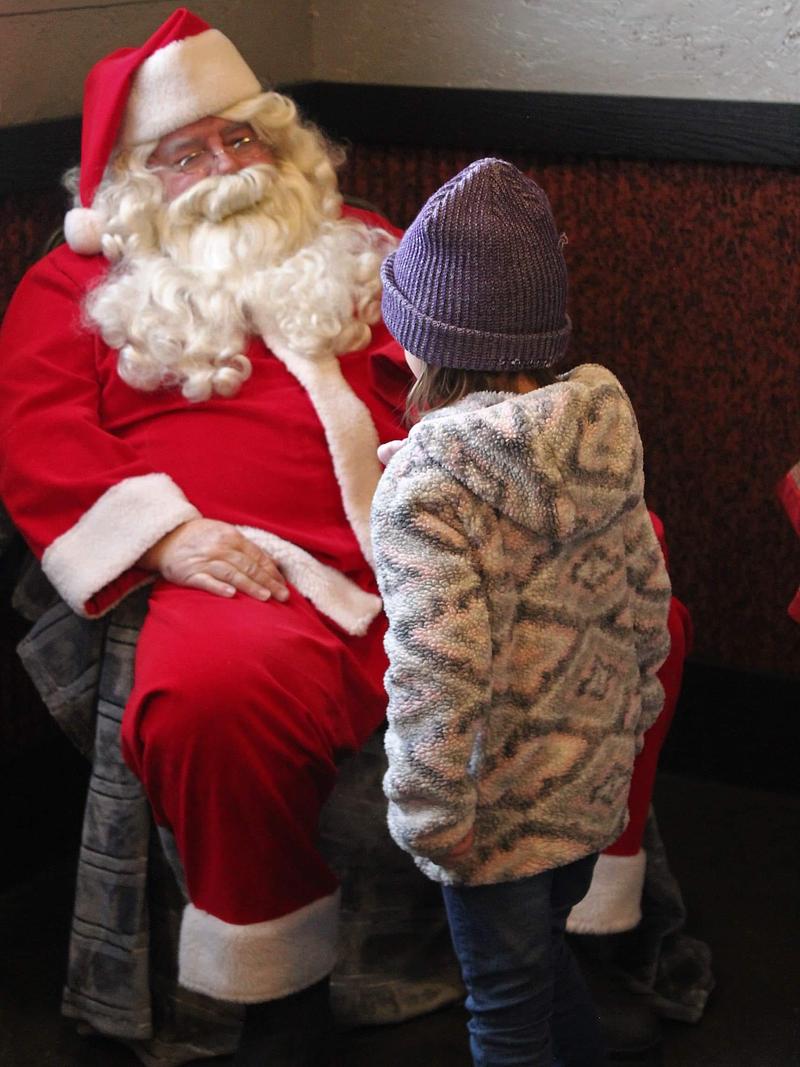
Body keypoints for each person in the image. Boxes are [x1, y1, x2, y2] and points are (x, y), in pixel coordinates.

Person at [0, 9, 411, 1065]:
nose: (226, 165)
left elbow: (465, 368)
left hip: (424, 542)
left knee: (612, 578)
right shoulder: (71, 288)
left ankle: (589, 928)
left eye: (242, 136)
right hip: (248, 570)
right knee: (210, 697)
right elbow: (38, 440)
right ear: (131, 185)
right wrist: (163, 537)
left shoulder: (367, 242)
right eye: (186, 153)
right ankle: (278, 992)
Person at [370, 158, 673, 1066]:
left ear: (421, 337)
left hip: (494, 812)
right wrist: (631, 719)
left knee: (504, 1014)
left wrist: (429, 815)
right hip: (590, 780)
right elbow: (645, 588)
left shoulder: (425, 491)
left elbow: (439, 668)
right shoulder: (602, 422)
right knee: (539, 968)